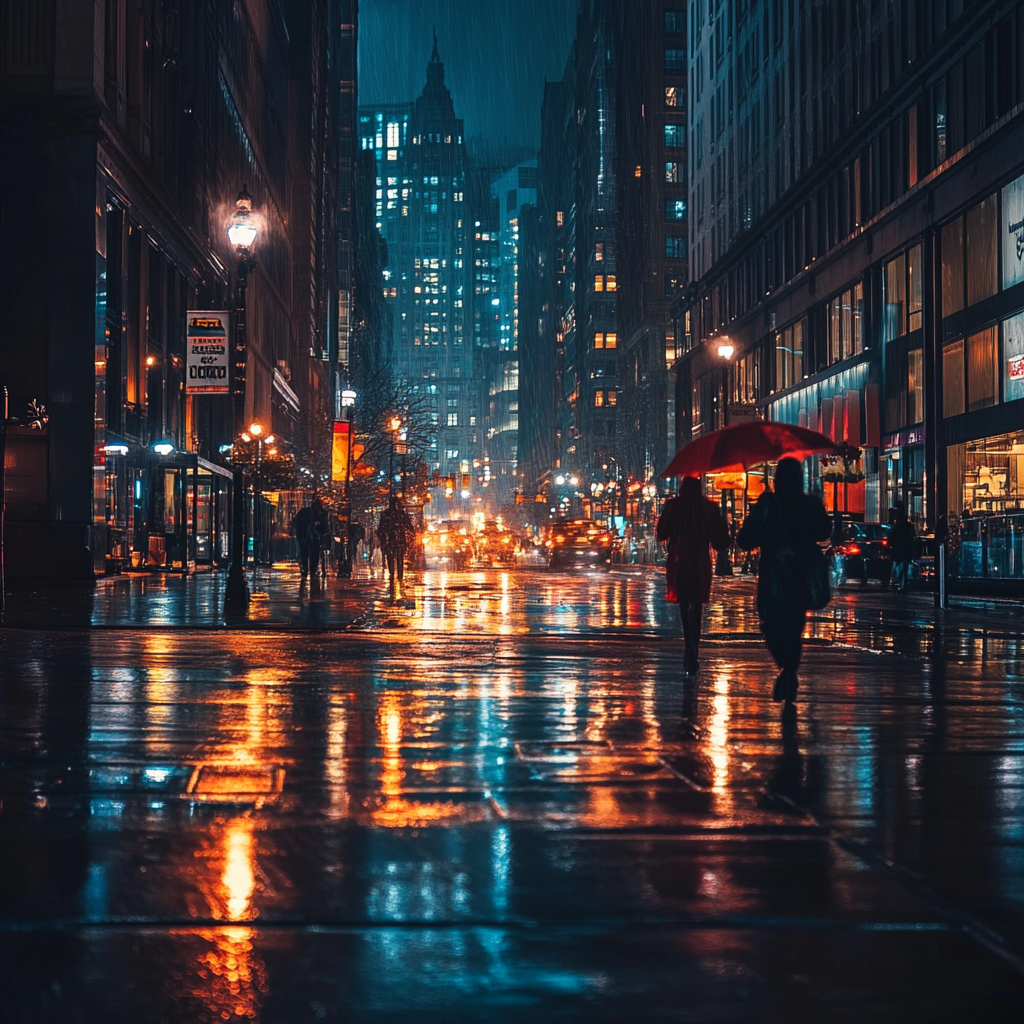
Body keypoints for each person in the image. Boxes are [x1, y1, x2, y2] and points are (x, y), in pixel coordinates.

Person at [737, 458, 831, 704]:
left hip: (774, 579)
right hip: (798, 578)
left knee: (772, 625)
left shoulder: (769, 503)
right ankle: (789, 672)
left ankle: (787, 671)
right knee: (793, 629)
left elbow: (746, 538)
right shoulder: (807, 504)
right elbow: (824, 531)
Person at [656, 476, 731, 675]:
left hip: (680, 558)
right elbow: (719, 542)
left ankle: (689, 645)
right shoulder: (709, 508)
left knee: (684, 604)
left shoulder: (673, 507)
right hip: (699, 559)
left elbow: (661, 534)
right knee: (697, 605)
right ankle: (693, 649)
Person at [378, 497, 414, 588]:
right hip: (396, 539)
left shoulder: (386, 514)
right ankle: (398, 575)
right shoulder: (400, 514)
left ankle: (394, 574)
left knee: (392, 557)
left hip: (391, 539)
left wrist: (382, 537)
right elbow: (409, 527)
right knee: (398, 558)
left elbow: (381, 528)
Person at [889, 504, 916, 593]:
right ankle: (903, 584)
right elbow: (913, 537)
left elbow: (891, 537)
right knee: (904, 567)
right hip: (907, 549)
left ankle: (894, 581)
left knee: (896, 564)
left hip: (899, 549)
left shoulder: (897, 527)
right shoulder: (909, 527)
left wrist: (892, 546)